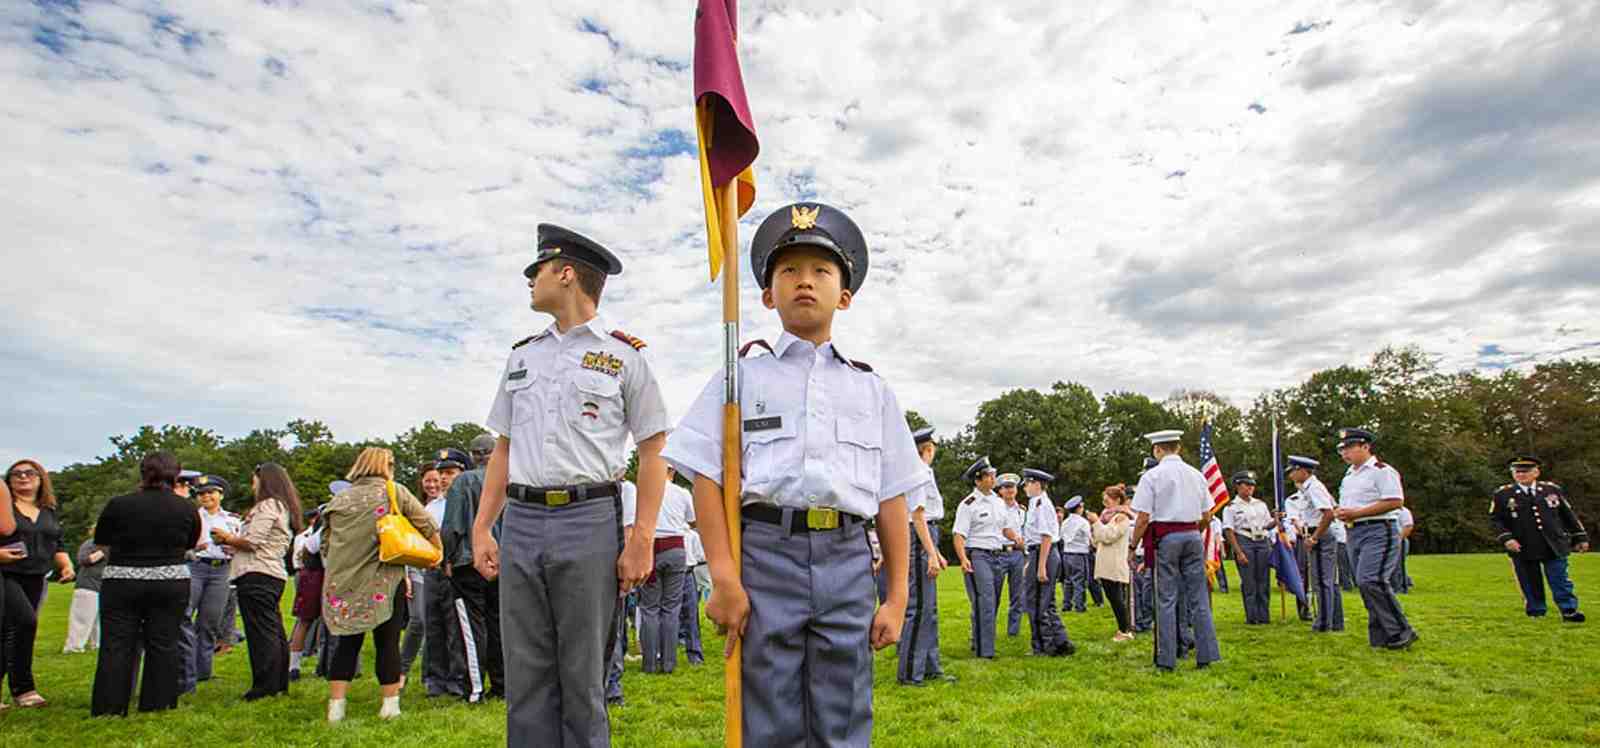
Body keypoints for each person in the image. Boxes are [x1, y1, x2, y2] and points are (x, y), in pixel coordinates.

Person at [662, 202, 917, 745]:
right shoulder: (739, 379)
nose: (805, 282)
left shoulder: (872, 391)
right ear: (766, 294)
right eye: (789, 271)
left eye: (822, 271)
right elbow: (706, 478)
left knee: (844, 712)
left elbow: (894, 496)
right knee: (770, 710)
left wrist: (896, 597)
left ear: (844, 295)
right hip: (765, 556)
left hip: (847, 559)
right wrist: (725, 577)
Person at [471, 223, 673, 747]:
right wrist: (482, 527)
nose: (530, 280)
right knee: (525, 675)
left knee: (583, 677)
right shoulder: (522, 356)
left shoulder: (625, 357)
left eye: (536, 270)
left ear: (565, 273)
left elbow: (654, 451)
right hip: (523, 520)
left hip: (589, 520)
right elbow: (504, 448)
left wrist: (642, 537)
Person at [321, 447, 441, 723]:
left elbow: (325, 544)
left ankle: (336, 707)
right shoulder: (392, 491)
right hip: (385, 579)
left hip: (344, 581)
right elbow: (427, 523)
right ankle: (389, 705)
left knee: (347, 644)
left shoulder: (339, 499)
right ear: (386, 466)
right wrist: (437, 552)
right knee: (387, 642)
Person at [90, 451, 202, 716]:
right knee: (164, 642)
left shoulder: (119, 504)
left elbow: (102, 538)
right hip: (169, 580)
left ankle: (109, 705)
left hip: (123, 579)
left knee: (116, 643)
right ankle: (158, 702)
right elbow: (190, 542)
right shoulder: (186, 508)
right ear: (175, 475)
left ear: (142, 473)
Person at [1130, 430, 1221, 671]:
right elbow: (1207, 515)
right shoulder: (1196, 475)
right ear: (1178, 448)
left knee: (1166, 599)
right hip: (1192, 535)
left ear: (1157, 450)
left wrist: (1133, 545)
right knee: (1199, 598)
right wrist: (1194, 530)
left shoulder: (1152, 477)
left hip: (1166, 537)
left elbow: (1143, 517)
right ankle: (1206, 655)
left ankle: (1166, 658)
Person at [211, 463, 301, 699]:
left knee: (261, 632)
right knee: (273, 630)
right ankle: (278, 683)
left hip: (257, 573)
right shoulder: (283, 506)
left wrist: (227, 537)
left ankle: (264, 686)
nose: (252, 485)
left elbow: (253, 541)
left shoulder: (267, 506)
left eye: (254, 481)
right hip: (271, 572)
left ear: (264, 481)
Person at [1334, 428, 1418, 650]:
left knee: (1371, 579)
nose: (1345, 453)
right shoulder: (1349, 476)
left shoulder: (1382, 471)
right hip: (1354, 532)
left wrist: (1356, 513)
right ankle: (1382, 634)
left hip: (1379, 529)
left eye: (1350, 448)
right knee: (1364, 584)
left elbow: (1394, 501)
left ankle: (1402, 629)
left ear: (1365, 446)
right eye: (1342, 449)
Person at [1, 459, 73, 708]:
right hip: (6, 574)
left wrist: (66, 565)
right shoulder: (4, 507)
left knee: (15, 631)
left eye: (30, 473)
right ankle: (24, 688)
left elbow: (58, 542)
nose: (23, 477)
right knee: (23, 623)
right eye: (16, 474)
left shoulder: (48, 511)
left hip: (36, 576)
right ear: (8, 481)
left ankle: (22, 690)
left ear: (41, 478)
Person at [1491, 456, 1588, 622]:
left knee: (1560, 579)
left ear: (1536, 472)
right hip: (1523, 545)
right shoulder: (1503, 494)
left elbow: (1567, 514)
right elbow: (1495, 520)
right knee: (1529, 580)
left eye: (1526, 471)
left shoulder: (1551, 490)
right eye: (1517, 471)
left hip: (1553, 543)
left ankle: (1569, 610)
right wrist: (1507, 538)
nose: (1521, 474)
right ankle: (1536, 611)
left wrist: (1580, 536)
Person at [179, 474, 240, 694]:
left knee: (209, 620)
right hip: (195, 567)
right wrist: (196, 549)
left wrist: (233, 548)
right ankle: (185, 670)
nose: (206, 497)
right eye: (202, 494)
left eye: (211, 493)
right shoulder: (191, 517)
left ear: (220, 495)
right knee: (185, 616)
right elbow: (179, 546)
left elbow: (240, 544)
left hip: (221, 569)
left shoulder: (233, 520)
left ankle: (203, 670)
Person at [898, 425, 949, 686]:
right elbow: (917, 516)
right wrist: (930, 553)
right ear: (927, 449)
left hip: (927, 534)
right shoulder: (919, 472)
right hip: (920, 538)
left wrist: (936, 551)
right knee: (919, 609)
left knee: (930, 609)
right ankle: (910, 673)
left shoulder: (922, 471)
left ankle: (930, 666)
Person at [639, 468, 694, 674]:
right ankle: (668, 663)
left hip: (652, 548)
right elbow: (692, 519)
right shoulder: (682, 493)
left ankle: (650, 663)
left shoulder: (641, 491)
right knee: (671, 608)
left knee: (649, 608)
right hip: (675, 548)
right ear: (672, 471)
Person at [953, 456, 1008, 659]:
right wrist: (963, 558)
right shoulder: (969, 504)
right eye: (989, 475)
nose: (993, 478)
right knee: (985, 601)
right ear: (978, 480)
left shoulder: (998, 502)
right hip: (978, 555)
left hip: (997, 555)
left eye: (993, 475)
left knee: (994, 602)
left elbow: (1003, 528)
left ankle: (979, 642)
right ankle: (986, 652)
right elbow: (959, 534)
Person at [397, 464, 443, 688]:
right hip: (416, 569)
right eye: (428, 480)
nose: (432, 485)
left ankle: (430, 675)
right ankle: (401, 672)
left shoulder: (447, 505)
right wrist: (405, 573)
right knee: (418, 620)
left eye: (436, 480)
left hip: (437, 569)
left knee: (433, 624)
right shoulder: (415, 506)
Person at [1020, 469, 1075, 655]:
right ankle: (1060, 642)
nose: (1025, 488)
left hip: (1044, 552)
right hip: (1039, 553)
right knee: (1043, 601)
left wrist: (1041, 565)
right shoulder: (1036, 502)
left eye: (1027, 483)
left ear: (1036, 484)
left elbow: (1045, 536)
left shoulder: (1041, 504)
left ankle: (1045, 645)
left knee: (1038, 602)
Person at [1286, 456, 1344, 632]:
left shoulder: (1314, 488)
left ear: (1303, 471)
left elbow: (1328, 514)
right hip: (1316, 531)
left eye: (1293, 471)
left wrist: (1314, 537)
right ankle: (1334, 620)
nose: (1291, 475)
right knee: (1325, 580)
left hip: (1320, 533)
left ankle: (1324, 622)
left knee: (1322, 581)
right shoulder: (1308, 488)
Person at [289, 497, 333, 681]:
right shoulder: (323, 532)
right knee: (309, 621)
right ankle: (295, 666)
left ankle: (303, 665)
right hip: (319, 575)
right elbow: (309, 549)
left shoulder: (321, 531)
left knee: (309, 621)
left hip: (315, 574)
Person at [1222, 471, 1274, 624]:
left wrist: (1276, 520)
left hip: (1262, 540)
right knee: (1249, 581)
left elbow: (1267, 524)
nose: (1250, 488)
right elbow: (1229, 530)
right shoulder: (1231, 507)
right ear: (1238, 486)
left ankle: (1264, 616)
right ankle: (1252, 616)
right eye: (1247, 485)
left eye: (1252, 485)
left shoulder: (1260, 504)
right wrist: (1238, 552)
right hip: (1245, 540)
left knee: (1263, 580)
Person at [1092, 484, 1135, 641]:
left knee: (1117, 599)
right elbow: (1098, 539)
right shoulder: (1110, 518)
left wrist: (1097, 523)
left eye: (1107, 499)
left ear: (1117, 500)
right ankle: (1122, 628)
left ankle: (1125, 631)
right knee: (1114, 598)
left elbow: (1109, 536)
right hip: (1106, 563)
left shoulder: (1122, 517)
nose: (1105, 502)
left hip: (1114, 564)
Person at [63, 525, 108, 654]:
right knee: (82, 618)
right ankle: (73, 647)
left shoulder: (113, 545)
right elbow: (82, 560)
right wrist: (99, 554)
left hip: (103, 587)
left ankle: (97, 644)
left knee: (99, 620)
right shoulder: (90, 544)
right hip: (87, 586)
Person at [993, 473, 1028, 636]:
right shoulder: (994, 507)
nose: (1009, 490)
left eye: (1012, 487)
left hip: (1017, 554)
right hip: (998, 553)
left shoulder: (1022, 510)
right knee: (994, 595)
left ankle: (1013, 631)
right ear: (1000, 490)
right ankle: (988, 629)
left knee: (1017, 596)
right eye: (1006, 487)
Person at [1059, 496, 1093, 613]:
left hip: (1067, 554)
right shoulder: (1083, 522)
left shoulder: (1065, 522)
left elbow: (1062, 536)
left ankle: (1066, 604)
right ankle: (1080, 606)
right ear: (1079, 508)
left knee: (1068, 581)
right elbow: (1089, 539)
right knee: (1080, 581)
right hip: (1080, 554)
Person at [679, 527, 706, 665]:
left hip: (686, 573)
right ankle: (694, 654)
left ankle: (663, 656)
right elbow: (700, 556)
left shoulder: (691, 534)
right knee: (690, 614)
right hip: (686, 572)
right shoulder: (691, 534)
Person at [1393, 505, 1415, 593]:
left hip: (1400, 541)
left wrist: (1399, 539)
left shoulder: (1403, 511)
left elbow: (1408, 526)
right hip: (1389, 541)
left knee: (1398, 565)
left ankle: (1401, 588)